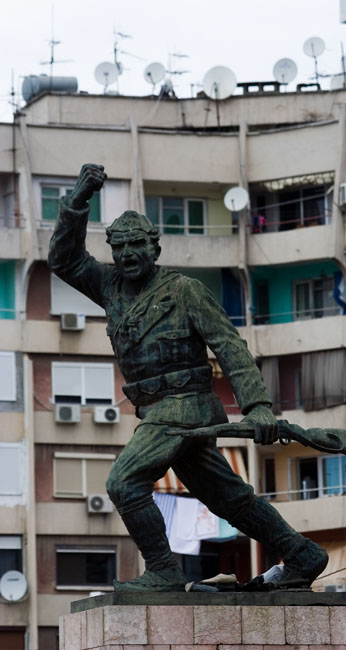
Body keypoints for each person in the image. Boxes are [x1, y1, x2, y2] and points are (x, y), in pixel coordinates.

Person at [48, 164, 328, 592]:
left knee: (124, 483)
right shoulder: (111, 288)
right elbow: (63, 259)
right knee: (227, 498)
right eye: (119, 247)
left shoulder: (185, 290)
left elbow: (230, 347)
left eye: (136, 245)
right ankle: (302, 553)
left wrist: (257, 406)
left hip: (185, 405)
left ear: (154, 248)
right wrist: (80, 198)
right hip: (156, 412)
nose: (127, 255)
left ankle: (163, 569)